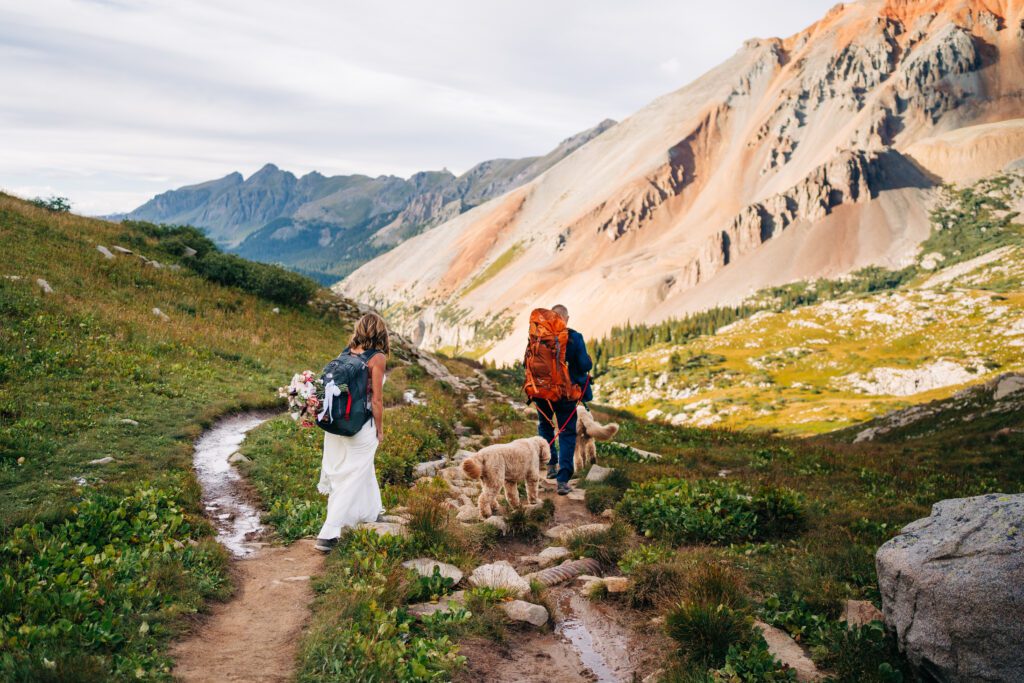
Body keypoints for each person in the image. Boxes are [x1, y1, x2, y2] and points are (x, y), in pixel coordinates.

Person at [313, 313, 389, 553]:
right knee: (354, 475)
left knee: (362, 469)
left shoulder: (345, 352)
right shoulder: (377, 358)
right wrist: (380, 429)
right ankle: (329, 532)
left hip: (337, 424)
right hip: (360, 425)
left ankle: (373, 512)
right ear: (381, 332)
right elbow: (376, 400)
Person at [535, 304, 593, 495]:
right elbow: (585, 365)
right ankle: (562, 480)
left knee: (545, 425)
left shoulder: (538, 336)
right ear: (566, 319)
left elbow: (526, 363)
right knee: (567, 433)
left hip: (542, 393)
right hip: (565, 394)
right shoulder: (575, 337)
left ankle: (550, 464)